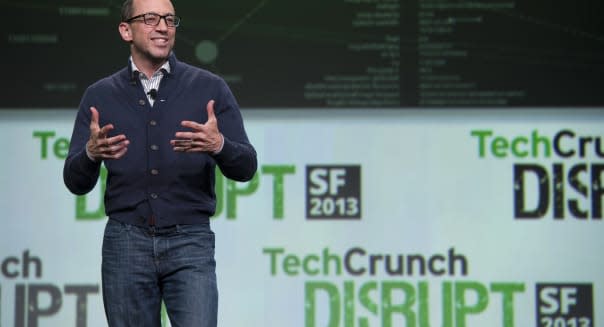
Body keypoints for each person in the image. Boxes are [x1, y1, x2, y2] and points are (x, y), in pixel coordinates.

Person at [63, 0, 257, 325]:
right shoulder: (99, 96)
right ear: (126, 30)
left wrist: (219, 144)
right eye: (151, 18)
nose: (164, 27)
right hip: (125, 244)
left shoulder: (209, 88)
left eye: (169, 19)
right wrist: (91, 155)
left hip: (190, 241)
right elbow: (75, 181)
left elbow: (246, 166)